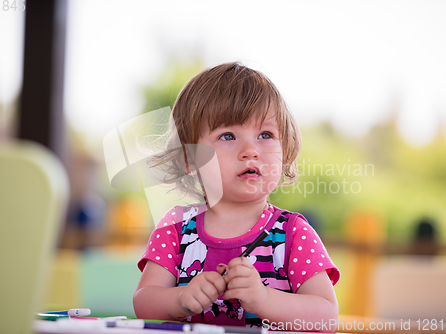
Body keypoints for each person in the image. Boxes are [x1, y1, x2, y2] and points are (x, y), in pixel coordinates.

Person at [133, 62, 340, 330]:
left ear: (285, 149)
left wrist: (265, 299)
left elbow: (326, 319)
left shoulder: (293, 233)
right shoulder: (175, 228)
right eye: (228, 135)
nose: (250, 150)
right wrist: (180, 298)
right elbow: (143, 302)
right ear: (189, 157)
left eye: (265, 134)